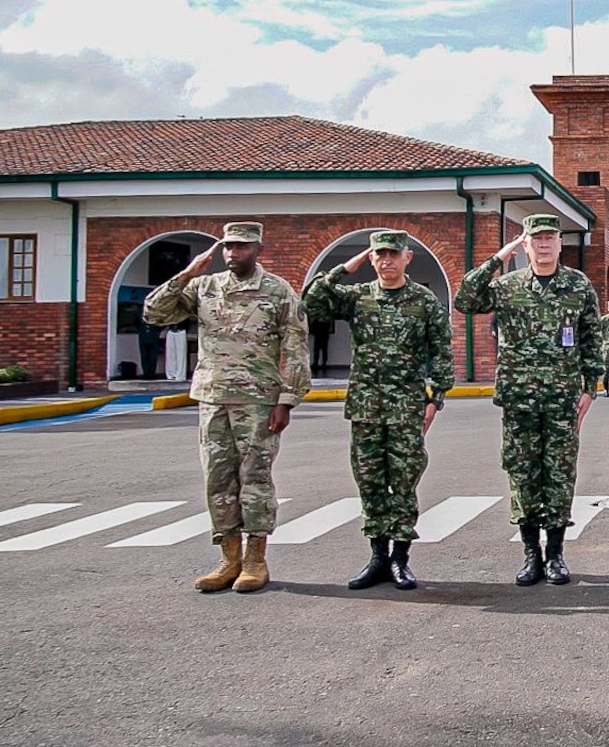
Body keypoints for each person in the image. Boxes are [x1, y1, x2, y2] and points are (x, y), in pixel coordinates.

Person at [142, 221, 310, 594]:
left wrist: (287, 400)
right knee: (217, 481)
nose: (234, 253)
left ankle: (255, 560)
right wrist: (187, 273)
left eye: (242, 247)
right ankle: (228, 559)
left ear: (258, 250)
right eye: (229, 247)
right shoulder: (204, 288)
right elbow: (154, 313)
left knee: (254, 480)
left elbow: (296, 349)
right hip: (213, 398)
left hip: (258, 400)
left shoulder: (277, 291)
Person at [302, 230, 455, 591]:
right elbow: (311, 303)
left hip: (407, 406)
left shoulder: (423, 300)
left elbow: (442, 350)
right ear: (371, 259)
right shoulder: (357, 297)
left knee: (403, 482)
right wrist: (344, 268)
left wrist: (436, 398)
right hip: (367, 406)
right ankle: (377, 556)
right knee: (369, 481)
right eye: (379, 254)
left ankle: (400, 558)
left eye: (393, 254)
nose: (386, 260)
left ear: (407, 258)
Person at [454, 215, 600, 586]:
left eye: (550, 237)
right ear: (526, 244)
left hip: (562, 397)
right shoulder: (507, 286)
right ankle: (530, 553)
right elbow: (466, 299)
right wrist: (499, 256)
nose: (544, 244)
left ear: (560, 242)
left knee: (559, 474)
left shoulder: (577, 285)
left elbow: (590, 337)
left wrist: (590, 387)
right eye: (536, 238)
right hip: (519, 399)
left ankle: (555, 554)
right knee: (522, 474)